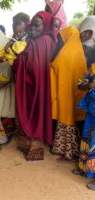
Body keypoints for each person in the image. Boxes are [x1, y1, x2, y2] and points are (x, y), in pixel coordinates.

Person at [13, 11, 58, 161]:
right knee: (30, 111)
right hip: (31, 83)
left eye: (37, 26)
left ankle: (36, 145)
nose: (33, 29)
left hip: (38, 83)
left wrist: (20, 59)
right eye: (32, 26)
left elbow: (35, 65)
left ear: (45, 26)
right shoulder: (35, 40)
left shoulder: (45, 40)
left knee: (35, 112)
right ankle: (28, 143)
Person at [50, 26, 88, 162]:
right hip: (79, 96)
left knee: (66, 118)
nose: (59, 41)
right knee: (78, 122)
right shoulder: (80, 52)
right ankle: (77, 153)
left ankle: (67, 152)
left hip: (65, 93)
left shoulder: (64, 53)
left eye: (61, 38)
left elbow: (54, 66)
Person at [73, 69, 95, 190]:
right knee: (87, 139)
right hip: (91, 114)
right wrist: (88, 83)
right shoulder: (93, 68)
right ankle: (86, 168)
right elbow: (80, 86)